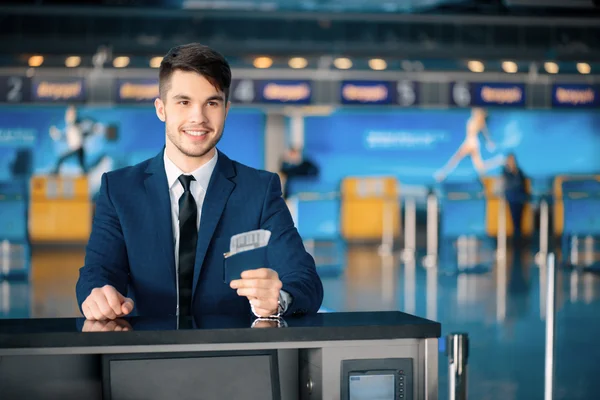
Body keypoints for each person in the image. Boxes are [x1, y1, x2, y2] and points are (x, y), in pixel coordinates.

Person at [76, 43, 324, 321]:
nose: (199, 117)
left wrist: (278, 299)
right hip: (143, 355)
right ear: (161, 109)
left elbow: (305, 280)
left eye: (212, 103)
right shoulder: (119, 189)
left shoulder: (259, 189)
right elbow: (98, 271)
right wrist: (97, 294)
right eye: (184, 102)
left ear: (226, 110)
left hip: (234, 357)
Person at [434, 108, 501, 182]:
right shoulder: (474, 118)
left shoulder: (480, 120)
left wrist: (489, 142)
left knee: (456, 157)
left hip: (471, 142)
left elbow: (485, 132)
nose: (473, 110)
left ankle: (443, 174)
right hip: (470, 141)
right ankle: (498, 161)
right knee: (480, 167)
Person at [502, 153, 528, 246]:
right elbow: (510, 185)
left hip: (520, 199)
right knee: (514, 221)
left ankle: (519, 241)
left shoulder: (519, 171)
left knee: (520, 221)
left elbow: (522, 184)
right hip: (512, 199)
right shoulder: (505, 172)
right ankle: (516, 242)